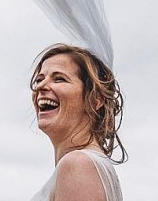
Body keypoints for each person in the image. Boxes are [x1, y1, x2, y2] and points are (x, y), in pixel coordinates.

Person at [29, 44, 126, 201]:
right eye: (40, 79)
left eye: (59, 79)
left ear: (95, 100)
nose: (40, 86)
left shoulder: (78, 165)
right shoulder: (87, 165)